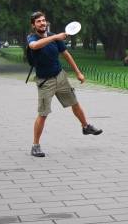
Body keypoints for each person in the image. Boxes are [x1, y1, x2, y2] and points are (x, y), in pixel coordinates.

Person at [27, 11, 102, 158]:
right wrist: (55, 37)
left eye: (43, 20)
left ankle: (85, 126)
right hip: (45, 81)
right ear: (33, 25)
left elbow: (66, 55)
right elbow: (34, 46)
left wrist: (78, 72)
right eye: (38, 21)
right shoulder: (32, 38)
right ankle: (35, 146)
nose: (42, 23)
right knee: (43, 114)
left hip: (60, 76)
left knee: (75, 103)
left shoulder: (54, 36)